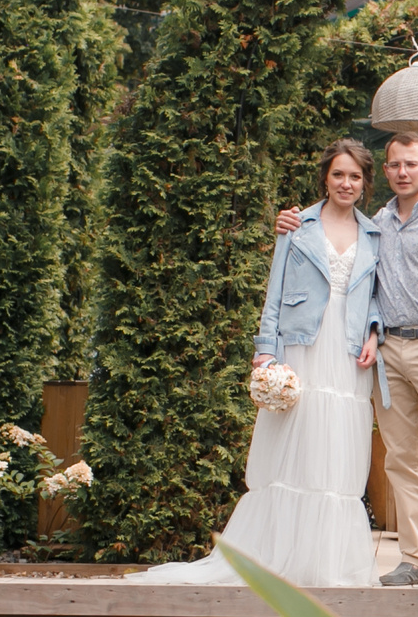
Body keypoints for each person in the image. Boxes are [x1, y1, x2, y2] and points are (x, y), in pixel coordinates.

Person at [136, 139, 382, 585]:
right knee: (295, 452)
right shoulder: (297, 226)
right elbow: (275, 292)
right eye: (338, 174)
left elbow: (377, 296)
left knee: (337, 456)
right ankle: (277, 557)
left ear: (365, 183)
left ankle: (326, 564)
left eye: (355, 176)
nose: (346, 183)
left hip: (348, 354)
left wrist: (373, 332)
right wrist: (266, 350)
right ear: (325, 178)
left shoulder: (374, 234)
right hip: (302, 347)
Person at [276, 129, 418, 585]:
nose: (403, 172)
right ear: (386, 170)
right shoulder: (377, 224)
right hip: (389, 352)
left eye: (412, 164)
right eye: (395, 164)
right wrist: (290, 221)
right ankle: (416, 560)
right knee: (401, 459)